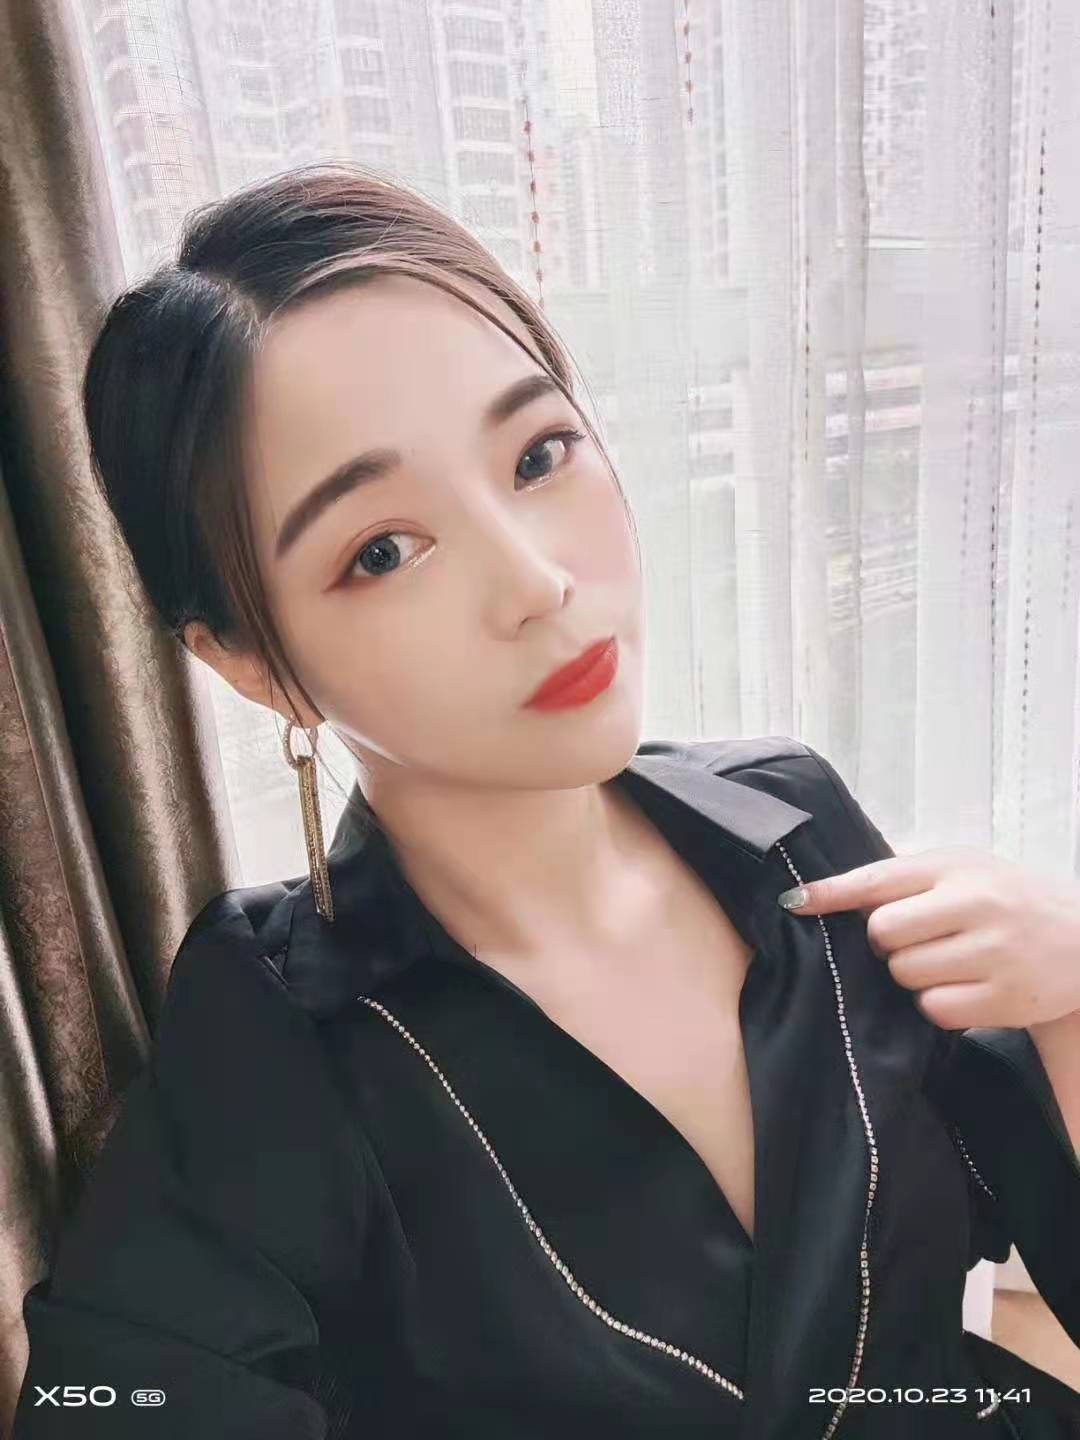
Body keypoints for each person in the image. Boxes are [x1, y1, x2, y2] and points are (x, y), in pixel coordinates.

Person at [11, 162, 1080, 1439]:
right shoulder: (280, 1029)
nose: (536, 581)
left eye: (538, 454)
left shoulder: (793, 824)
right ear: (249, 663)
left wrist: (1070, 999)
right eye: (382, 551)